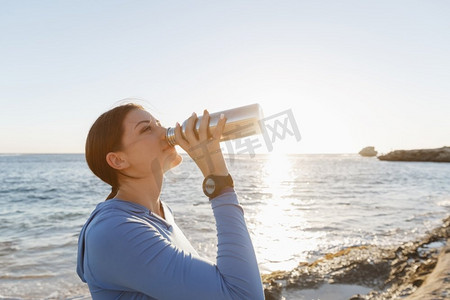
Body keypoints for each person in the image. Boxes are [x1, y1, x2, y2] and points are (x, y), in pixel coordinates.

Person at [76, 103, 264, 299]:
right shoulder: (114, 231)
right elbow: (244, 296)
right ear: (118, 161)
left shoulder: (160, 213)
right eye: (147, 128)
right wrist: (218, 181)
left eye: (158, 124)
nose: (165, 132)